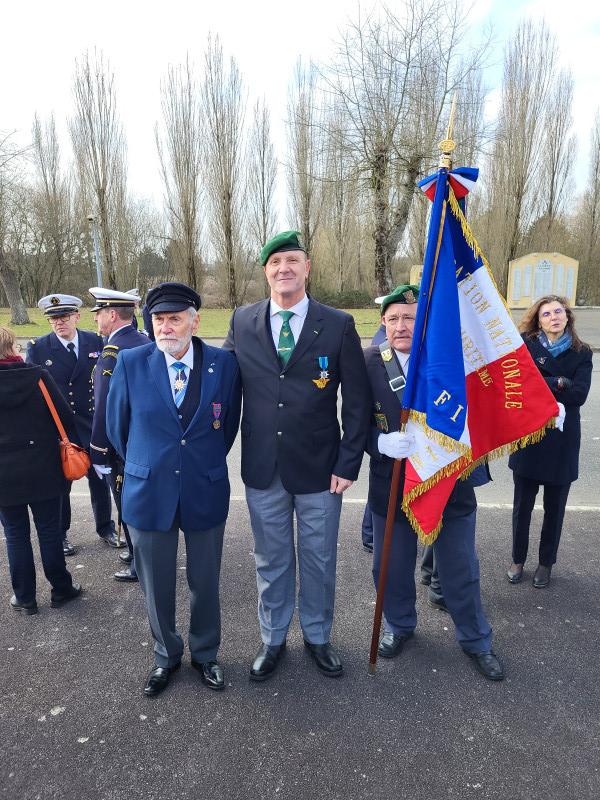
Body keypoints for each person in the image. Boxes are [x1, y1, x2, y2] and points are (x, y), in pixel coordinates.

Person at [223, 230, 370, 681]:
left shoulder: (338, 323)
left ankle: (318, 635)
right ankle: (272, 638)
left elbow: (358, 401)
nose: (283, 268)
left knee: (320, 557)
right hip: (263, 467)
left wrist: (348, 463)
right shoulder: (243, 320)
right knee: (271, 559)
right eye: (275, 262)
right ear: (265, 271)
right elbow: (224, 388)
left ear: (307, 268)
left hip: (322, 470)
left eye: (292, 260)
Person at [106, 282, 241, 697]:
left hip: (204, 488)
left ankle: (205, 653)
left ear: (194, 321)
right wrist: (150, 465)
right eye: (159, 319)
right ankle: (165, 655)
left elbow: (228, 425)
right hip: (149, 493)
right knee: (156, 584)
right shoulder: (131, 362)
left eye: (175, 318)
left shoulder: (223, 363)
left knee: (205, 580)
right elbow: (117, 429)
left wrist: (198, 463)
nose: (166, 327)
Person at [364, 285, 504, 681]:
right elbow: (353, 421)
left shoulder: (450, 358)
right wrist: (379, 442)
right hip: (392, 484)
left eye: (409, 317)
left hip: (448, 484)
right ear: (383, 324)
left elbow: (489, 396)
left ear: (423, 320)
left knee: (460, 567)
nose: (401, 325)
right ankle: (400, 625)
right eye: (393, 319)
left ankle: (476, 639)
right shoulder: (370, 361)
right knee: (388, 565)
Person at [507, 295, 593, 588]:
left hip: (562, 442)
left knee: (554, 509)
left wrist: (541, 385)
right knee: (522, 508)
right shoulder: (525, 345)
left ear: (567, 317)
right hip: (529, 437)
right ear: (538, 320)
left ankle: (546, 563)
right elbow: (518, 385)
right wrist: (557, 382)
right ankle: (518, 559)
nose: (554, 317)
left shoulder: (582, 352)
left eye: (559, 312)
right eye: (547, 314)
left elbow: (579, 395)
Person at [0, 326, 82, 613]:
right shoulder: (38, 377)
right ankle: (61, 589)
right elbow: (65, 417)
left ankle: (25, 598)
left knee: (15, 534)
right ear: (13, 348)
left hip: (4, 475)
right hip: (44, 467)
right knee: (49, 530)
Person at [26, 294, 115, 555]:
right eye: (54, 318)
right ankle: (62, 533)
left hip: (91, 422)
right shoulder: (39, 347)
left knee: (99, 478)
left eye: (64, 316)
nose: (59, 323)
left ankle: (105, 527)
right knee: (61, 482)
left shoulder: (96, 341)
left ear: (77, 316)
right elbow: (35, 390)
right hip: (60, 427)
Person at [88, 287, 149, 582]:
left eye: (98, 313)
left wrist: (99, 450)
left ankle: (139, 562)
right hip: (142, 438)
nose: (96, 320)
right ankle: (138, 553)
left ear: (112, 315)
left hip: (120, 444)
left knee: (127, 502)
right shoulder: (144, 341)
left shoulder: (112, 352)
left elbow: (104, 407)